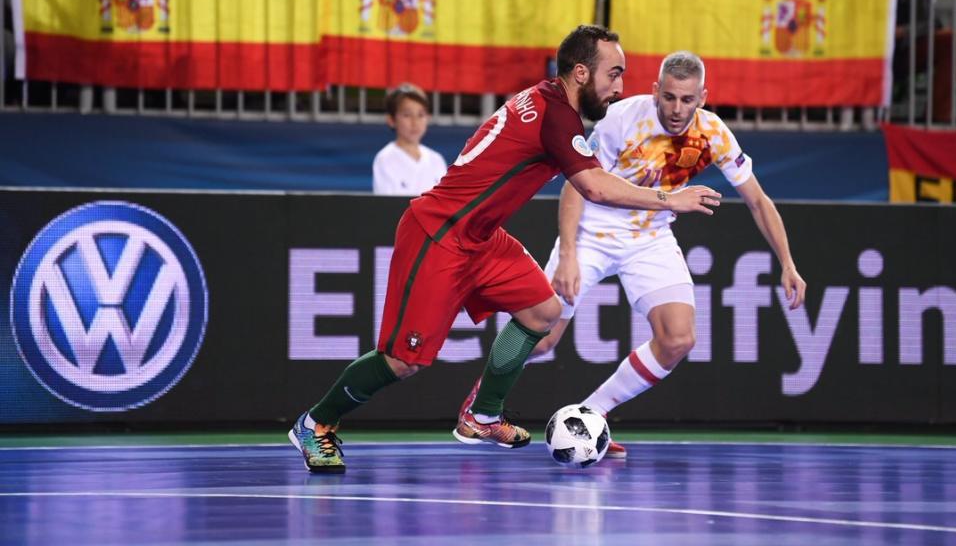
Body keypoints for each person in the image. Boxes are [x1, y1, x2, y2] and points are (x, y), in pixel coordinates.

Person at [289, 25, 723, 473]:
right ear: (580, 73)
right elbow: (593, 186)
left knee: (543, 312)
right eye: (613, 73)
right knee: (403, 360)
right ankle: (316, 423)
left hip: (482, 236)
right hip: (439, 233)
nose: (619, 85)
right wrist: (671, 199)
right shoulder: (558, 117)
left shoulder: (549, 99)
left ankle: (483, 414)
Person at [457, 50, 807, 459]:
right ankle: (480, 405)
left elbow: (758, 201)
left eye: (688, 100)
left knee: (678, 338)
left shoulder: (713, 134)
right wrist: (568, 252)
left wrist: (787, 262)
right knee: (544, 337)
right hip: (593, 231)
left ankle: (594, 414)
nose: (677, 109)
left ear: (703, 98)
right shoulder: (622, 118)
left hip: (650, 238)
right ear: (656, 90)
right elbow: (576, 184)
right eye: (670, 97)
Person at [372, 83, 448, 195]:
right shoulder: (385, 159)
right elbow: (386, 205)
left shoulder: (436, 160)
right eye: (407, 115)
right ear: (391, 120)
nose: (415, 122)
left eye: (421, 115)